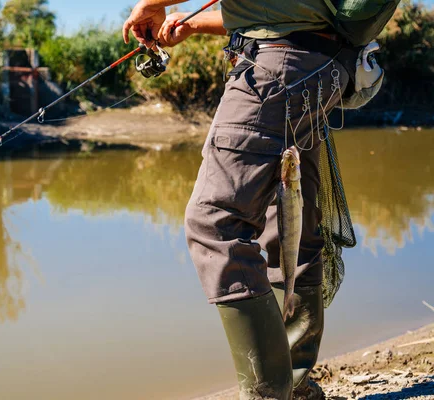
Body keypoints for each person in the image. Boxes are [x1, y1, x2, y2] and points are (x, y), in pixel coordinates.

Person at [123, 1, 352, 399]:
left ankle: (269, 394)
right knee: (290, 227)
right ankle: (295, 386)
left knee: (215, 224)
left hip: (275, 69)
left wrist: (151, 5)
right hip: (317, 67)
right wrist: (195, 25)